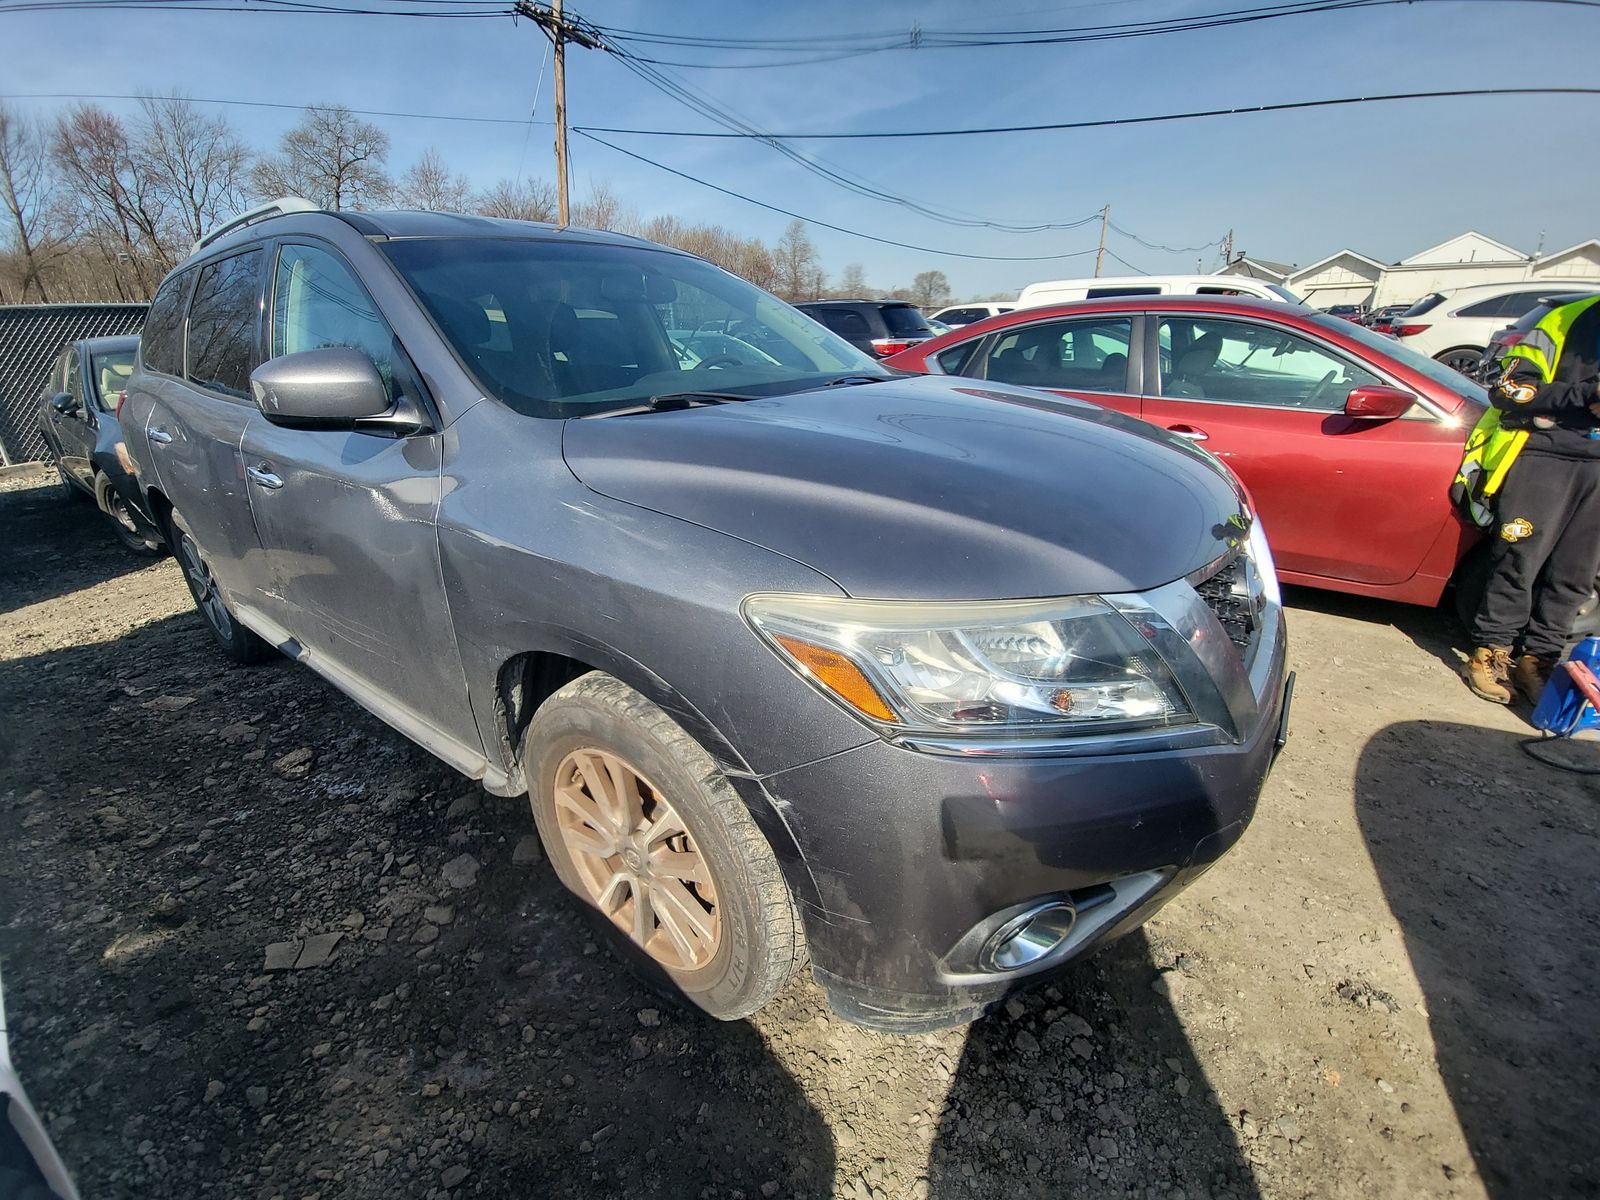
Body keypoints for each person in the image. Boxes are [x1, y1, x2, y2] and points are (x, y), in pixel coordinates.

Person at [1463, 295, 1600, 703]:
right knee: (1519, 558)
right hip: (1546, 454)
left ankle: (1537, 661)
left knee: (1576, 575)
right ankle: (1491, 651)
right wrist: (1585, 395)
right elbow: (1508, 390)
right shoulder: (1565, 320)